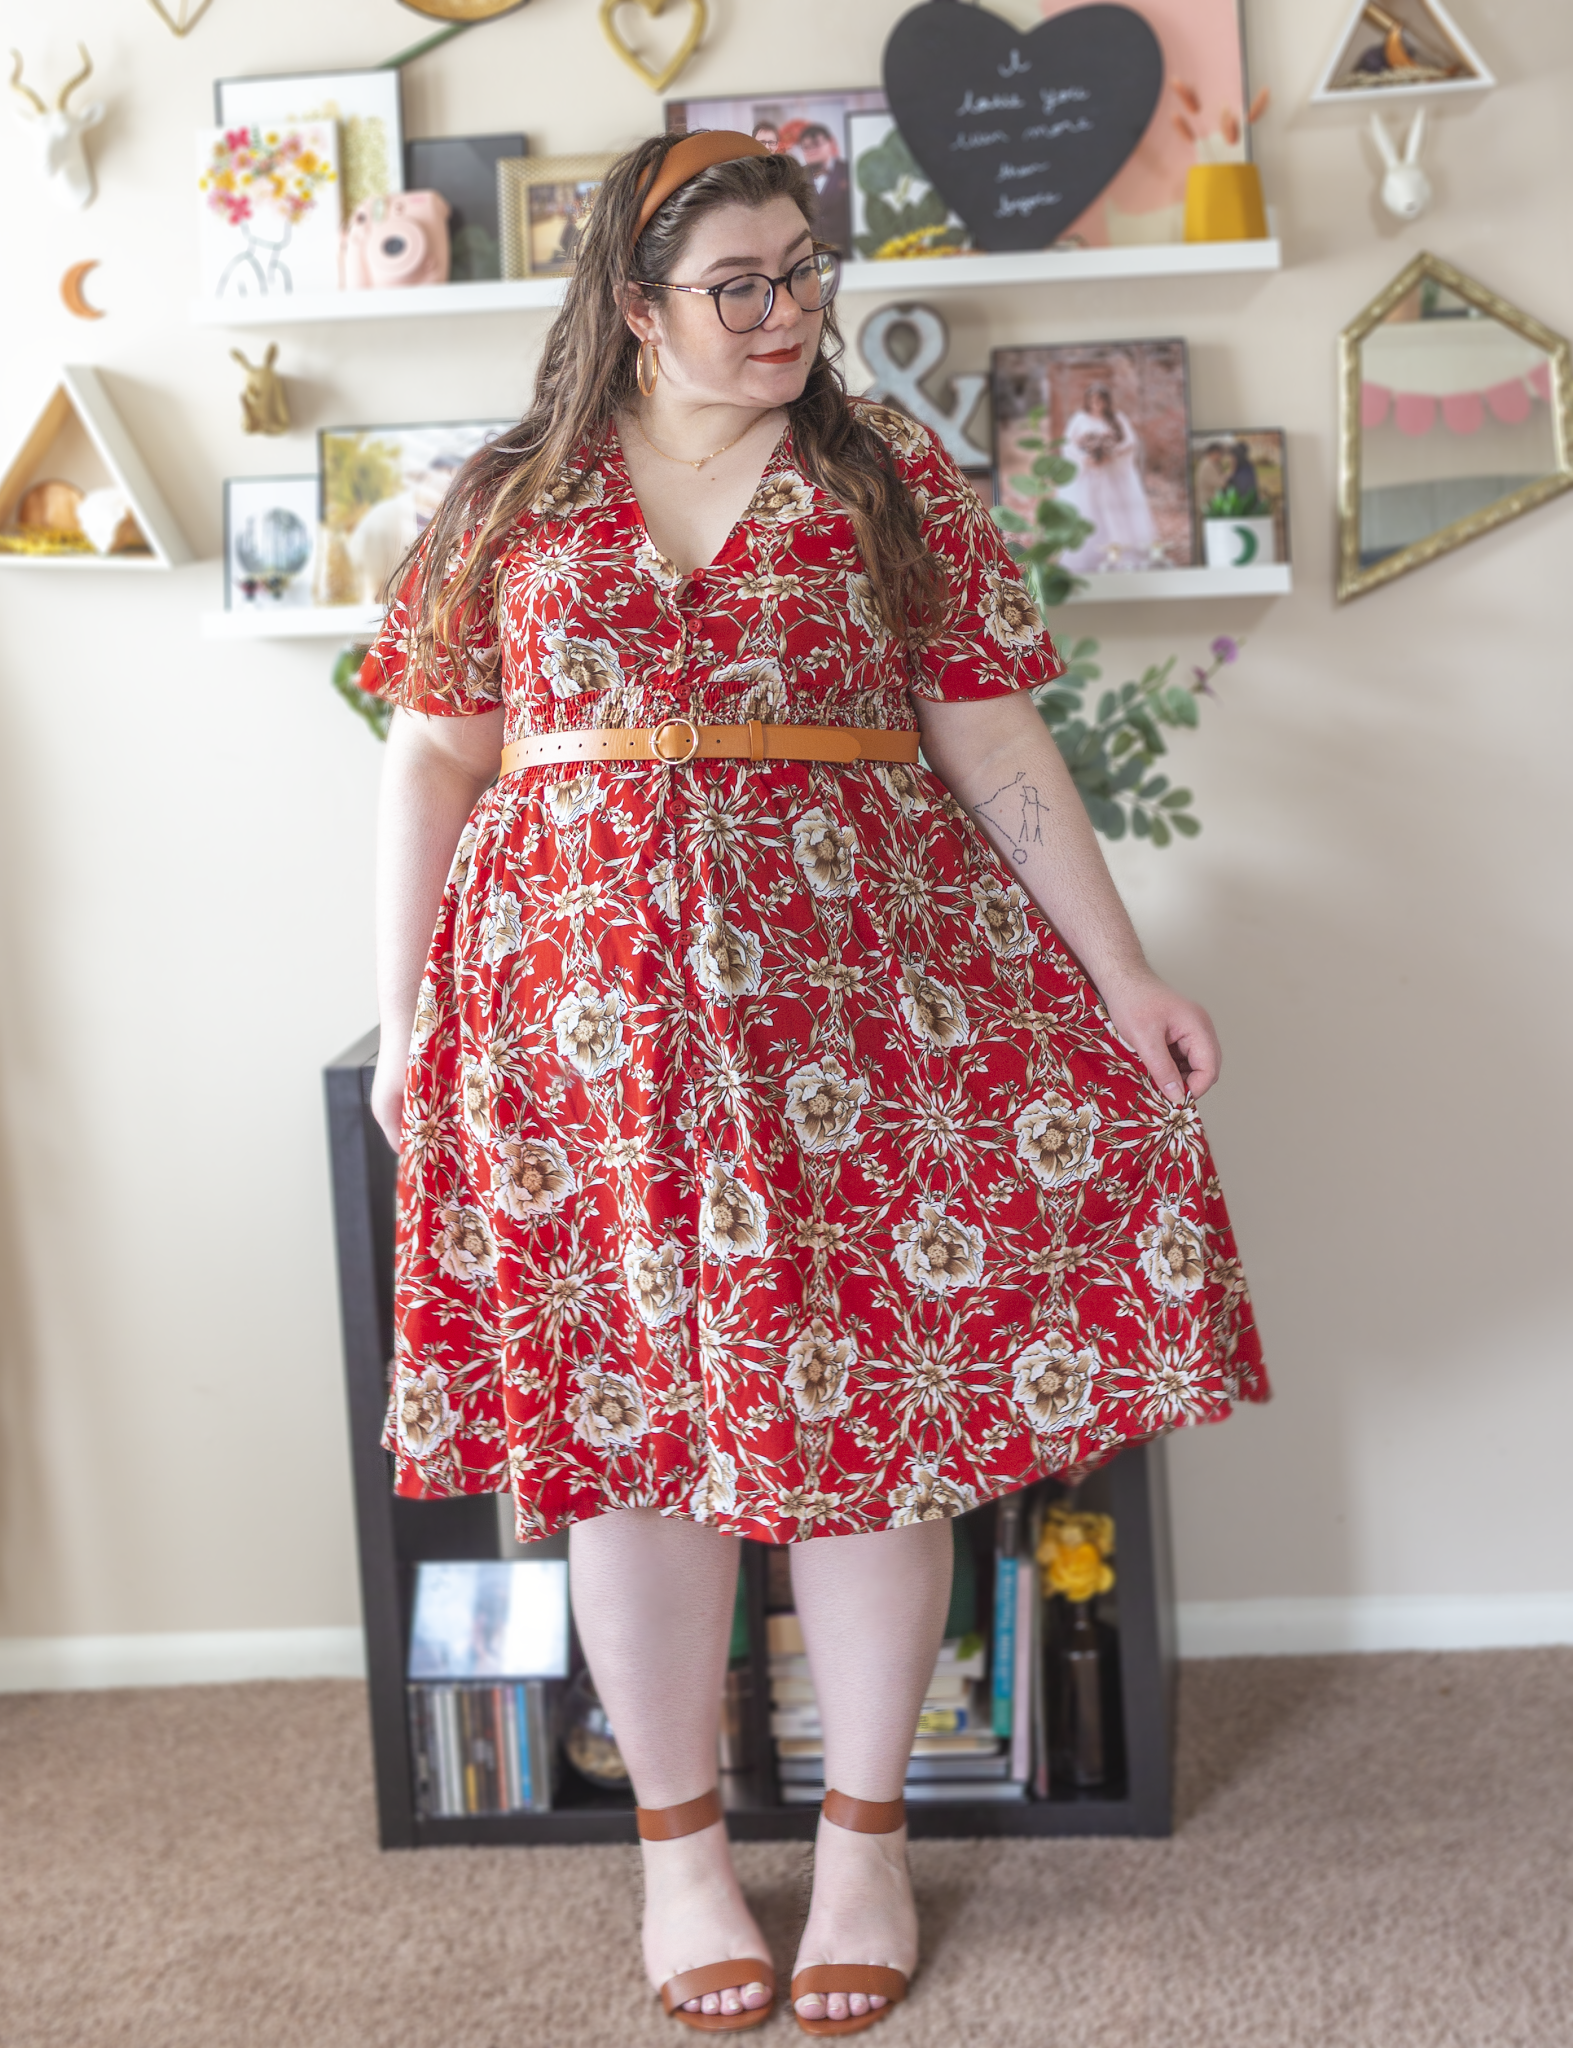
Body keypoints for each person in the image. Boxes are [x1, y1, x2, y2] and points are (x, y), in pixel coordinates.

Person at [362, 130, 1266, 2034]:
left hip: (857, 1036)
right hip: (582, 1044)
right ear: (631, 306)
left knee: (868, 1431)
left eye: (805, 274)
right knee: (629, 1446)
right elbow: (435, 762)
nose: (788, 314)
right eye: (740, 285)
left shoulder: (883, 476)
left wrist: (1115, 975)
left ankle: (862, 1834)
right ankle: (678, 1850)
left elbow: (988, 729)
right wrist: (411, 1014)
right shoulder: (506, 502)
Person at [1060, 381, 1160, 572]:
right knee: (1089, 512)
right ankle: (1091, 557)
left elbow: (1130, 441)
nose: (1097, 404)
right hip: (1088, 476)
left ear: (1107, 401)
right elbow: (1067, 444)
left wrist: (1111, 454)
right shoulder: (1079, 419)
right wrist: (1084, 458)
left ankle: (1120, 554)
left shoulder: (1118, 418)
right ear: (1088, 401)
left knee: (1114, 512)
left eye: (1101, 400)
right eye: (1093, 400)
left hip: (1111, 475)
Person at [794, 121, 852, 252]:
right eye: (806, 147)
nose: (811, 151)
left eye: (816, 144)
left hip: (846, 252)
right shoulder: (797, 176)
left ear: (830, 143)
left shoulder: (849, 171)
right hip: (812, 254)